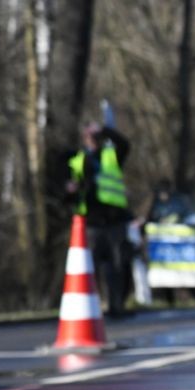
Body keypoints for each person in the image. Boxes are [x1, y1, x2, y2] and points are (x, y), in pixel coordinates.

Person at [67, 122, 133, 318]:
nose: (91, 139)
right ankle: (92, 308)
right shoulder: (78, 160)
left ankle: (117, 305)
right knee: (90, 267)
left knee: (118, 265)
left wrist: (104, 129)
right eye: (88, 135)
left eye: (94, 136)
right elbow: (70, 189)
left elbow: (125, 144)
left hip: (114, 220)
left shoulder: (111, 155)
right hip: (91, 223)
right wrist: (70, 190)